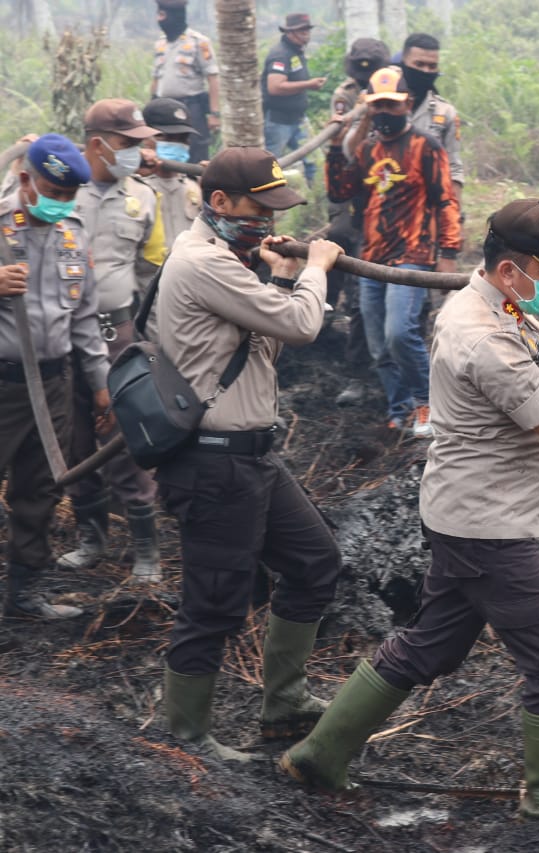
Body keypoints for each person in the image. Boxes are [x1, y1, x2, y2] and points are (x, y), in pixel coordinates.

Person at [281, 198, 539, 847]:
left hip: (467, 510)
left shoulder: (500, 303)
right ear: (507, 269)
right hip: (484, 523)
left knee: (431, 643)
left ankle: (320, 753)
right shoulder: (481, 335)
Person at [148, 147, 345, 760]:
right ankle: (186, 739)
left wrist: (282, 276)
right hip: (215, 462)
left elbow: (267, 347)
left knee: (315, 562)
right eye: (258, 209)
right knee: (214, 604)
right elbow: (304, 325)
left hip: (253, 455)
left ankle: (284, 705)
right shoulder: (204, 262)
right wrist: (315, 267)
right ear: (219, 204)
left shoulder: (228, 261)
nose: (265, 221)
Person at [60, 99, 166, 585]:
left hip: (117, 333)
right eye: (128, 143)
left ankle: (147, 550)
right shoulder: (58, 189)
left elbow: (152, 266)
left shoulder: (144, 197)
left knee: (123, 435)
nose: (138, 150)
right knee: (75, 439)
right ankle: (91, 538)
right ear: (97, 143)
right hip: (59, 337)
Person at [325, 66, 460, 438]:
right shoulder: (367, 148)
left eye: (392, 105)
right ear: (368, 107)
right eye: (377, 105)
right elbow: (340, 191)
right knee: (378, 342)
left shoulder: (426, 147)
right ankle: (397, 408)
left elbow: (445, 200)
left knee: (401, 332)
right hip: (371, 259)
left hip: (412, 254)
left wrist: (448, 251)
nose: (384, 112)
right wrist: (336, 145)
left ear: (408, 104)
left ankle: (426, 403)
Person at [0, 135, 103, 620]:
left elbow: (85, 315)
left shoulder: (74, 233)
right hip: (2, 382)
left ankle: (24, 594)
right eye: (53, 192)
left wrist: (100, 382)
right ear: (26, 179)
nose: (61, 204)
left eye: (69, 196)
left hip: (54, 384)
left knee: (40, 487)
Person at [328, 37, 390, 408]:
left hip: (398, 203)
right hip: (357, 198)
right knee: (358, 287)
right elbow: (341, 152)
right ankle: (357, 373)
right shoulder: (347, 95)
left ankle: (400, 371)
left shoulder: (400, 90)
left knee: (407, 298)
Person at [151, 0, 221, 164]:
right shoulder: (160, 44)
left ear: (174, 16)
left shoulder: (199, 42)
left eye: (162, 15)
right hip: (164, 107)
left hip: (191, 107)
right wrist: (152, 106)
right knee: (164, 151)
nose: (158, 20)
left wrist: (214, 113)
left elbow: (212, 78)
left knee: (196, 150)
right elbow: (156, 78)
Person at [400, 33, 465, 207]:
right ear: (404, 63)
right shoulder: (383, 106)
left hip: (428, 203)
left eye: (432, 66)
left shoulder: (445, 112)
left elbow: (454, 167)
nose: (425, 71)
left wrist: (456, 214)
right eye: (419, 64)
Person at [261, 13, 327, 184]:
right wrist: (308, 85)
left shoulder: (296, 52)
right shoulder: (280, 54)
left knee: (315, 163)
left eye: (307, 29)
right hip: (278, 121)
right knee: (269, 167)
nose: (306, 33)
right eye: (301, 30)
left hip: (298, 120)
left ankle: (317, 203)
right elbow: (274, 87)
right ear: (290, 32)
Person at [140, 98, 202, 247]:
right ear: (145, 138)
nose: (175, 143)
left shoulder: (195, 187)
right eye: (165, 136)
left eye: (182, 138)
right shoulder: (131, 187)